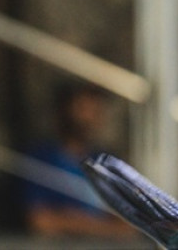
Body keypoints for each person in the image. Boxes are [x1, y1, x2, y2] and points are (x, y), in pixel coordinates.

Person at [20, 83, 135, 239]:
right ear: (64, 110)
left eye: (96, 111)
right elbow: (41, 221)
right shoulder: (42, 158)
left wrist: (73, 220)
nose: (89, 118)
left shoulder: (106, 163)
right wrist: (102, 226)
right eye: (82, 109)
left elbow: (128, 225)